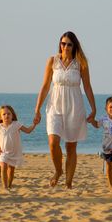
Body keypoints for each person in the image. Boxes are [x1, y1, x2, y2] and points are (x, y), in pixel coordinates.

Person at [33, 31, 96, 189]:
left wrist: (93, 109)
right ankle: (58, 170)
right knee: (53, 143)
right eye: (63, 43)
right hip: (54, 105)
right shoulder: (52, 61)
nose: (65, 47)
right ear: (59, 44)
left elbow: (87, 87)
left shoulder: (81, 63)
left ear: (74, 46)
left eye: (69, 44)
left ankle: (68, 183)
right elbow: (45, 86)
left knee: (71, 146)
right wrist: (37, 109)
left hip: (74, 106)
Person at [0, 105, 36, 190]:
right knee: (3, 166)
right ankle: (5, 187)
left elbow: (28, 131)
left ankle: (9, 185)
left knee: (11, 169)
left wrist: (34, 124)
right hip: (3, 152)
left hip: (14, 152)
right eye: (4, 114)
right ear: (0, 117)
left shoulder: (16, 124)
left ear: (12, 115)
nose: (6, 116)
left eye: (9, 114)